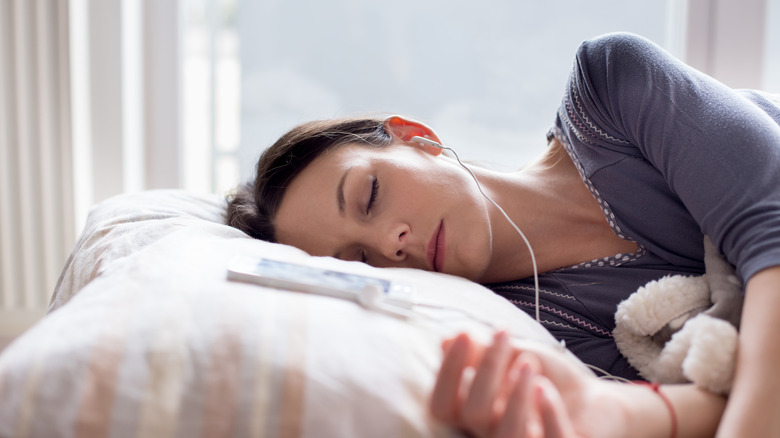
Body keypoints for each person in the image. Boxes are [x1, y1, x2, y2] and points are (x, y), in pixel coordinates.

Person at [227, 32, 780, 437]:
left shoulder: (612, 89)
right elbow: (714, 400)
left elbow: (772, 230)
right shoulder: (536, 326)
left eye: (369, 195)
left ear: (416, 137)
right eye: (360, 261)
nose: (391, 245)